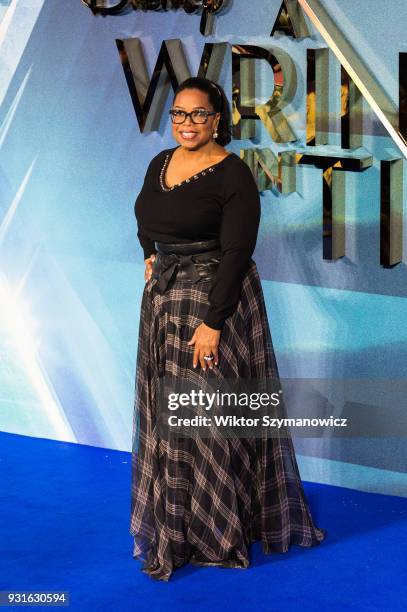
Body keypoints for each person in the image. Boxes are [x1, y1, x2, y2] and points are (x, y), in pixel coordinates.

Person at [130, 76, 327, 582]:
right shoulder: (160, 163)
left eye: (199, 114)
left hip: (215, 302)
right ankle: (179, 526)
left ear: (218, 118)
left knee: (210, 417)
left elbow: (237, 252)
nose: (188, 124)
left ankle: (218, 528)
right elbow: (145, 216)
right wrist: (151, 256)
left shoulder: (233, 173)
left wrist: (213, 323)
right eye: (179, 114)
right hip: (165, 303)